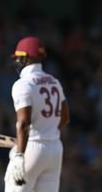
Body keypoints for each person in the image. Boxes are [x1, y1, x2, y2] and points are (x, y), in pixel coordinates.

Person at [5, 36, 70, 192]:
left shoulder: (23, 84)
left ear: (24, 58)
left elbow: (24, 123)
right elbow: (65, 118)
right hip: (55, 149)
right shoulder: (54, 81)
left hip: (31, 148)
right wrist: (46, 131)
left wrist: (20, 154)